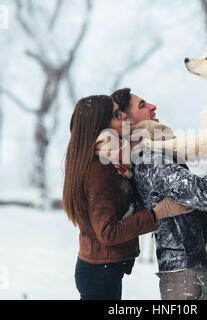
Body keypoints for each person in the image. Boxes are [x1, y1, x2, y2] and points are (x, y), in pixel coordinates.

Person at [111, 88, 207, 300]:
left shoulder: (160, 153)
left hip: (196, 270)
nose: (152, 106)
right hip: (185, 275)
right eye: (142, 105)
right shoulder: (148, 158)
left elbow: (206, 200)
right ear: (128, 122)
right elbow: (206, 195)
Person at [62, 95, 192, 300]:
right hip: (99, 275)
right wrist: (157, 213)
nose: (123, 115)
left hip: (103, 270)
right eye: (116, 114)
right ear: (100, 127)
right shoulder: (99, 171)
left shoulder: (109, 161)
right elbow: (108, 232)